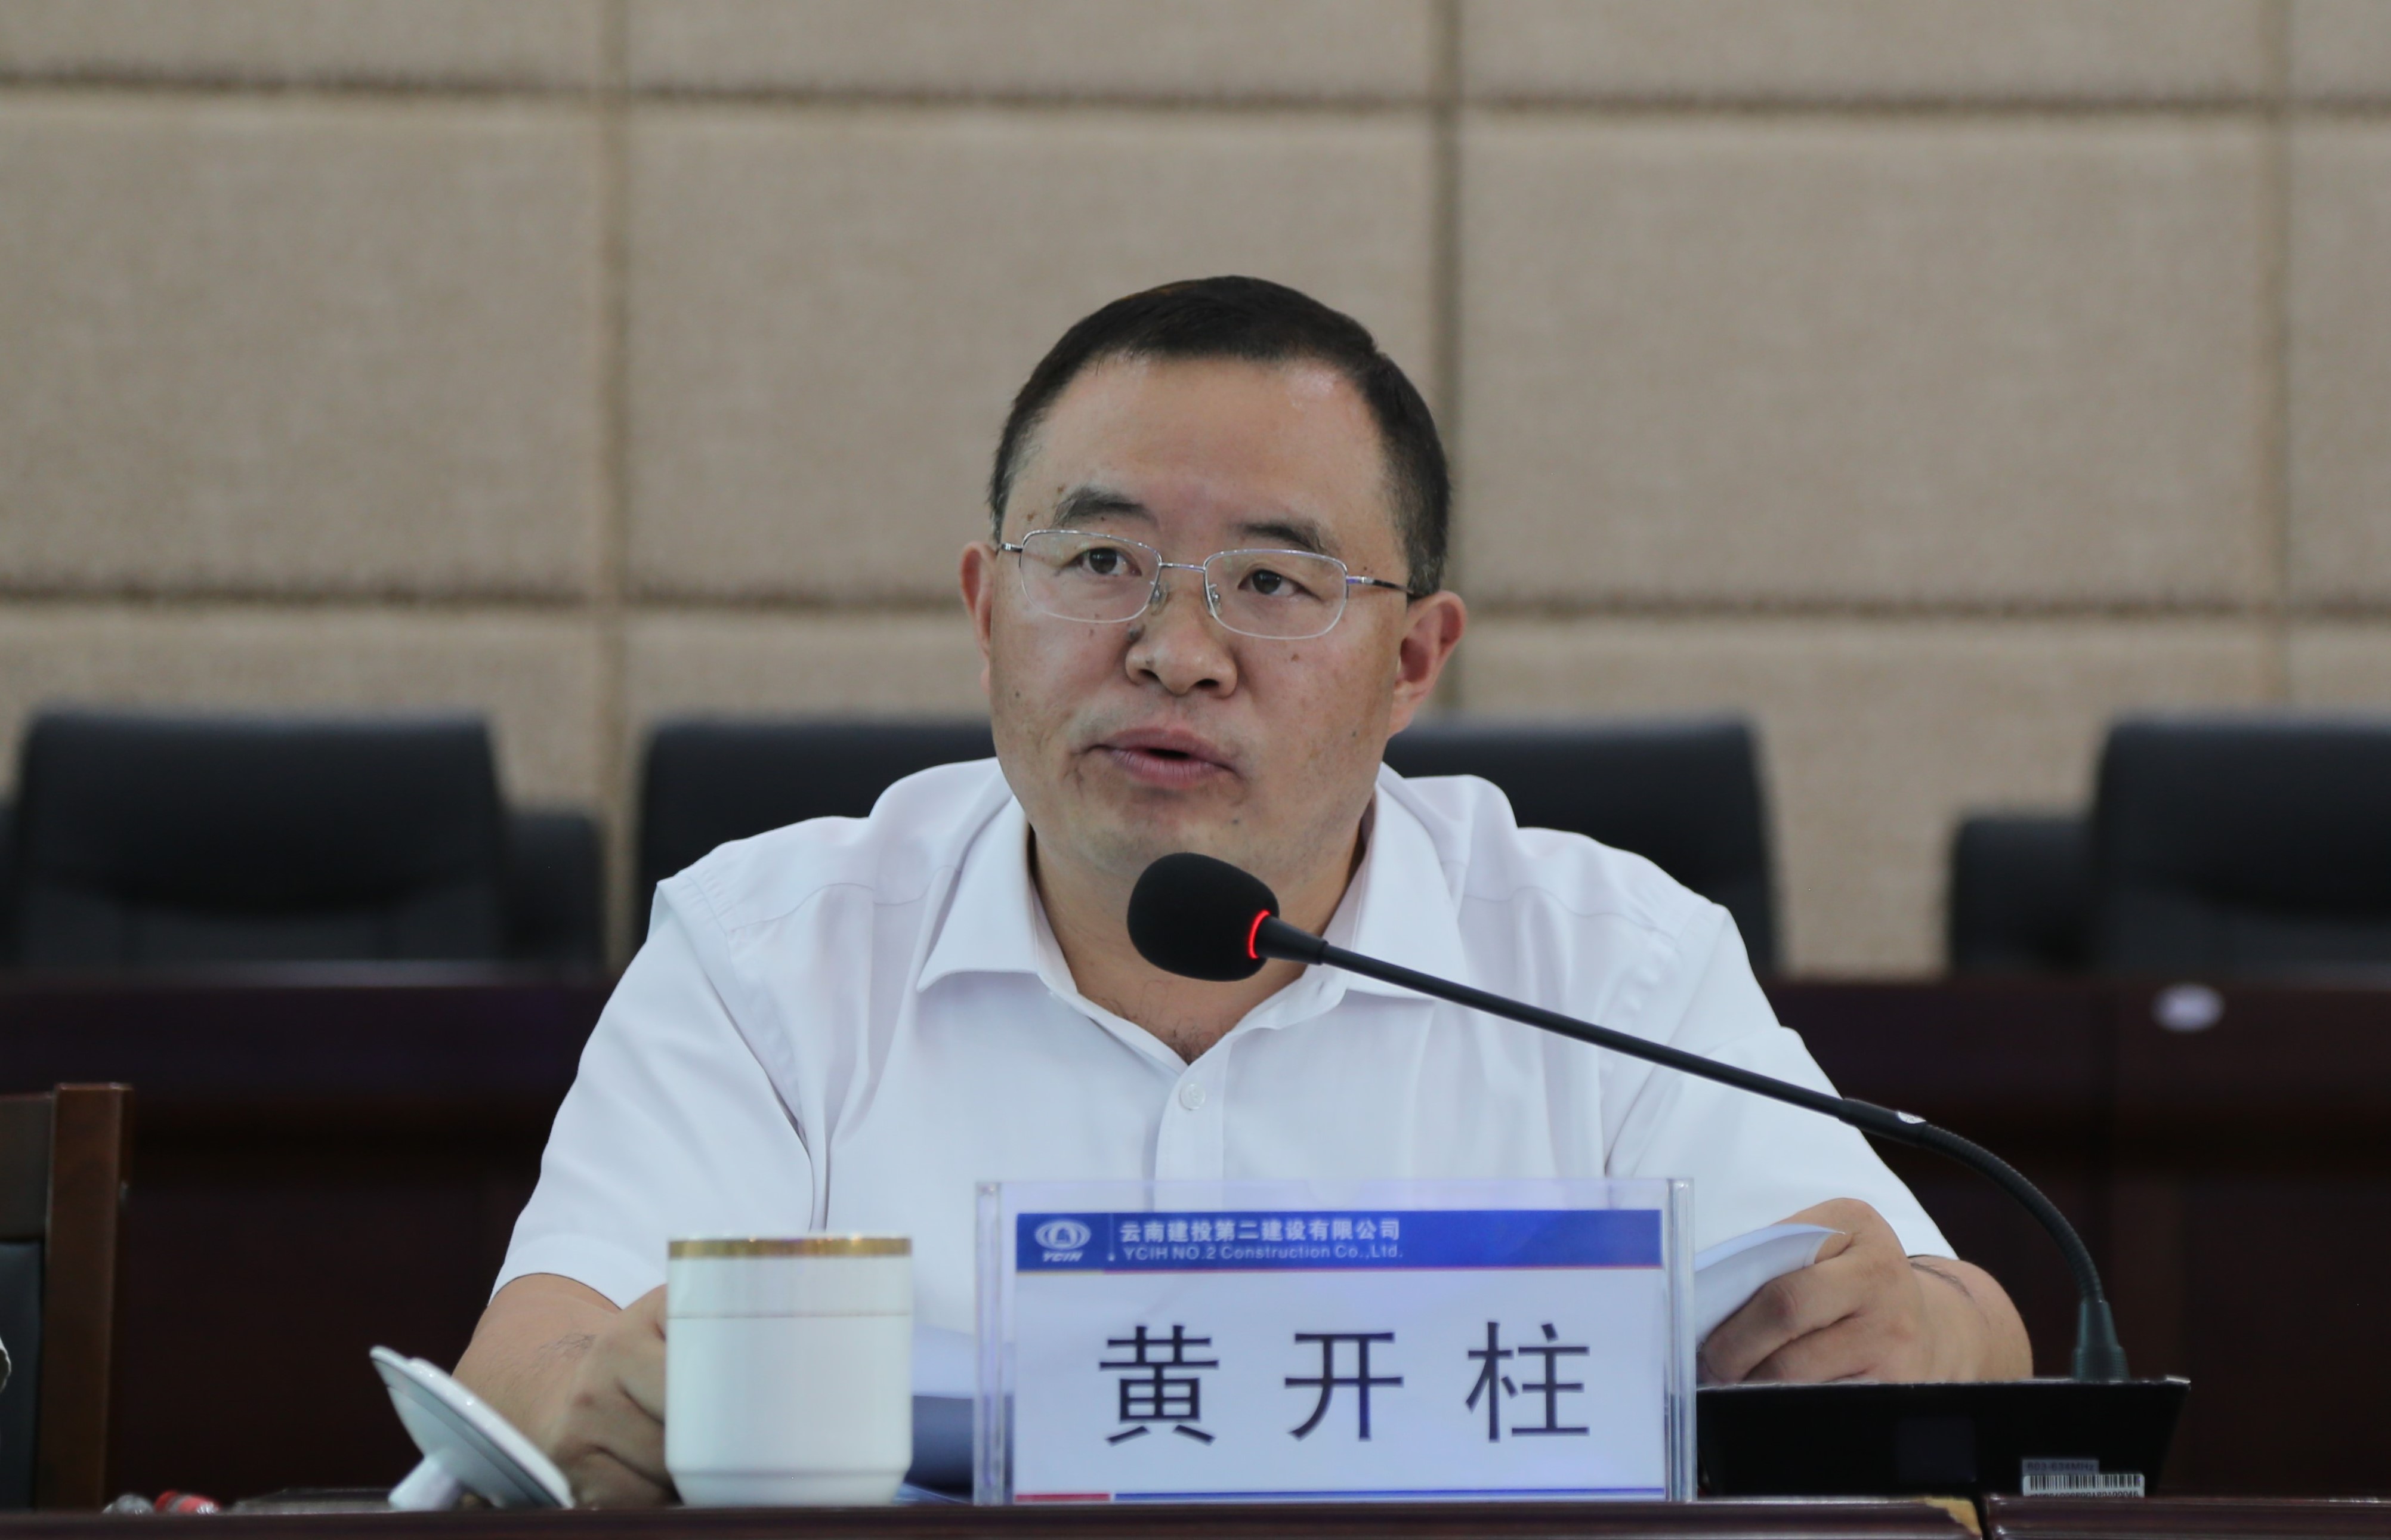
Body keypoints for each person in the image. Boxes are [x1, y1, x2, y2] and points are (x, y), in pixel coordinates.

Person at [455, 276, 2030, 1505]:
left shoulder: (1604, 964)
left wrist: (1927, 1330)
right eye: (1099, 563)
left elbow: (1954, 1324)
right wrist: (591, 1402)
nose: (1174, 651)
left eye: (1273, 583)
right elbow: (533, 1357)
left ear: (1413, 662)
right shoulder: (768, 953)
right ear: (985, 609)